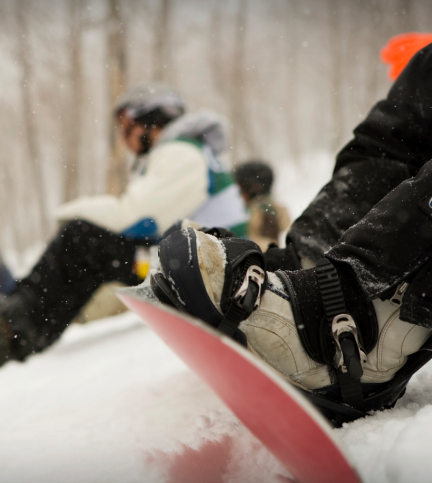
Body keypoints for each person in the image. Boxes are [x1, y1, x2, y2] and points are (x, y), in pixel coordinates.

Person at [152, 42, 432, 426]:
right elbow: (385, 152)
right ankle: (316, 261)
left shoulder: (264, 206)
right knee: (399, 128)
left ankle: (367, 319)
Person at [0, 84, 249, 369]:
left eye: (126, 124)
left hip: (212, 268)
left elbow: (135, 219)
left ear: (150, 119)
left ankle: (13, 329)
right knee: (88, 251)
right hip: (201, 260)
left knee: (81, 238)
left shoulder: (181, 153)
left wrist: (73, 210)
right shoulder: (185, 152)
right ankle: (20, 331)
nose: (123, 137)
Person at [233, 160, 290, 250]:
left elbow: (267, 245)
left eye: (241, 189)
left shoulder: (260, 211)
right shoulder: (274, 207)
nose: (238, 194)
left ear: (254, 188)